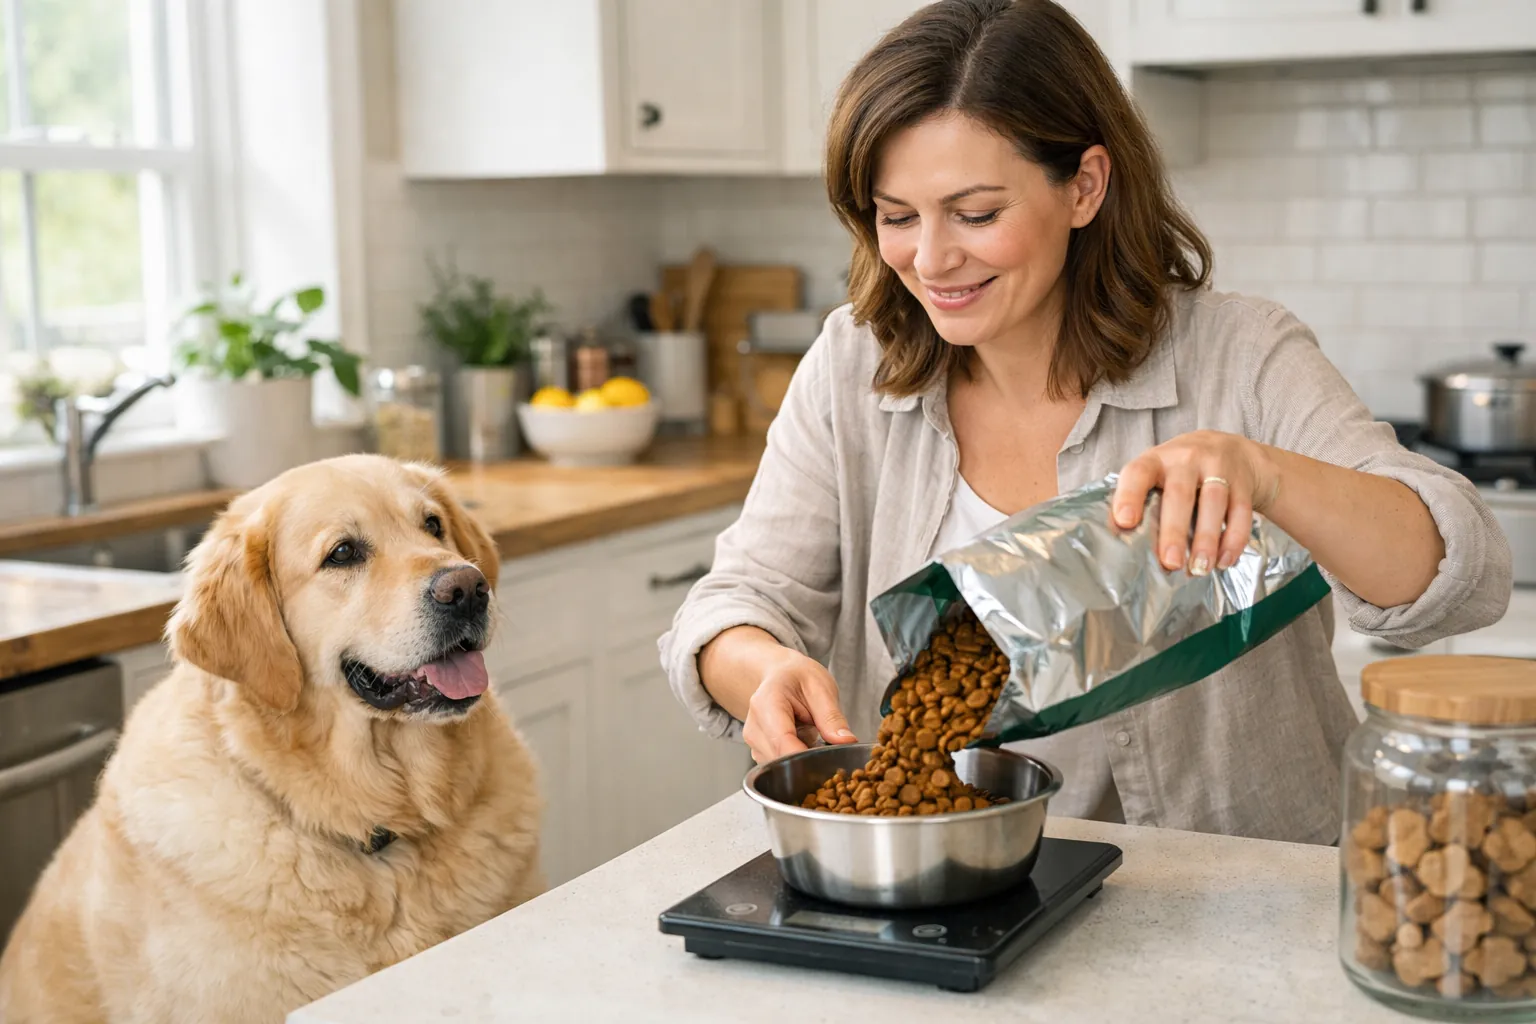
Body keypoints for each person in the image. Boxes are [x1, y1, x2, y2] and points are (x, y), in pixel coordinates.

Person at [658, 0, 1512, 844]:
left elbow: (1461, 572)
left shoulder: (1240, 355)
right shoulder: (854, 362)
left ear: (1085, 186)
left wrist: (1268, 475)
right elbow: (738, 601)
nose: (932, 258)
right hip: (955, 878)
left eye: (976, 214)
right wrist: (762, 670)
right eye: (897, 216)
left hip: (1241, 893)